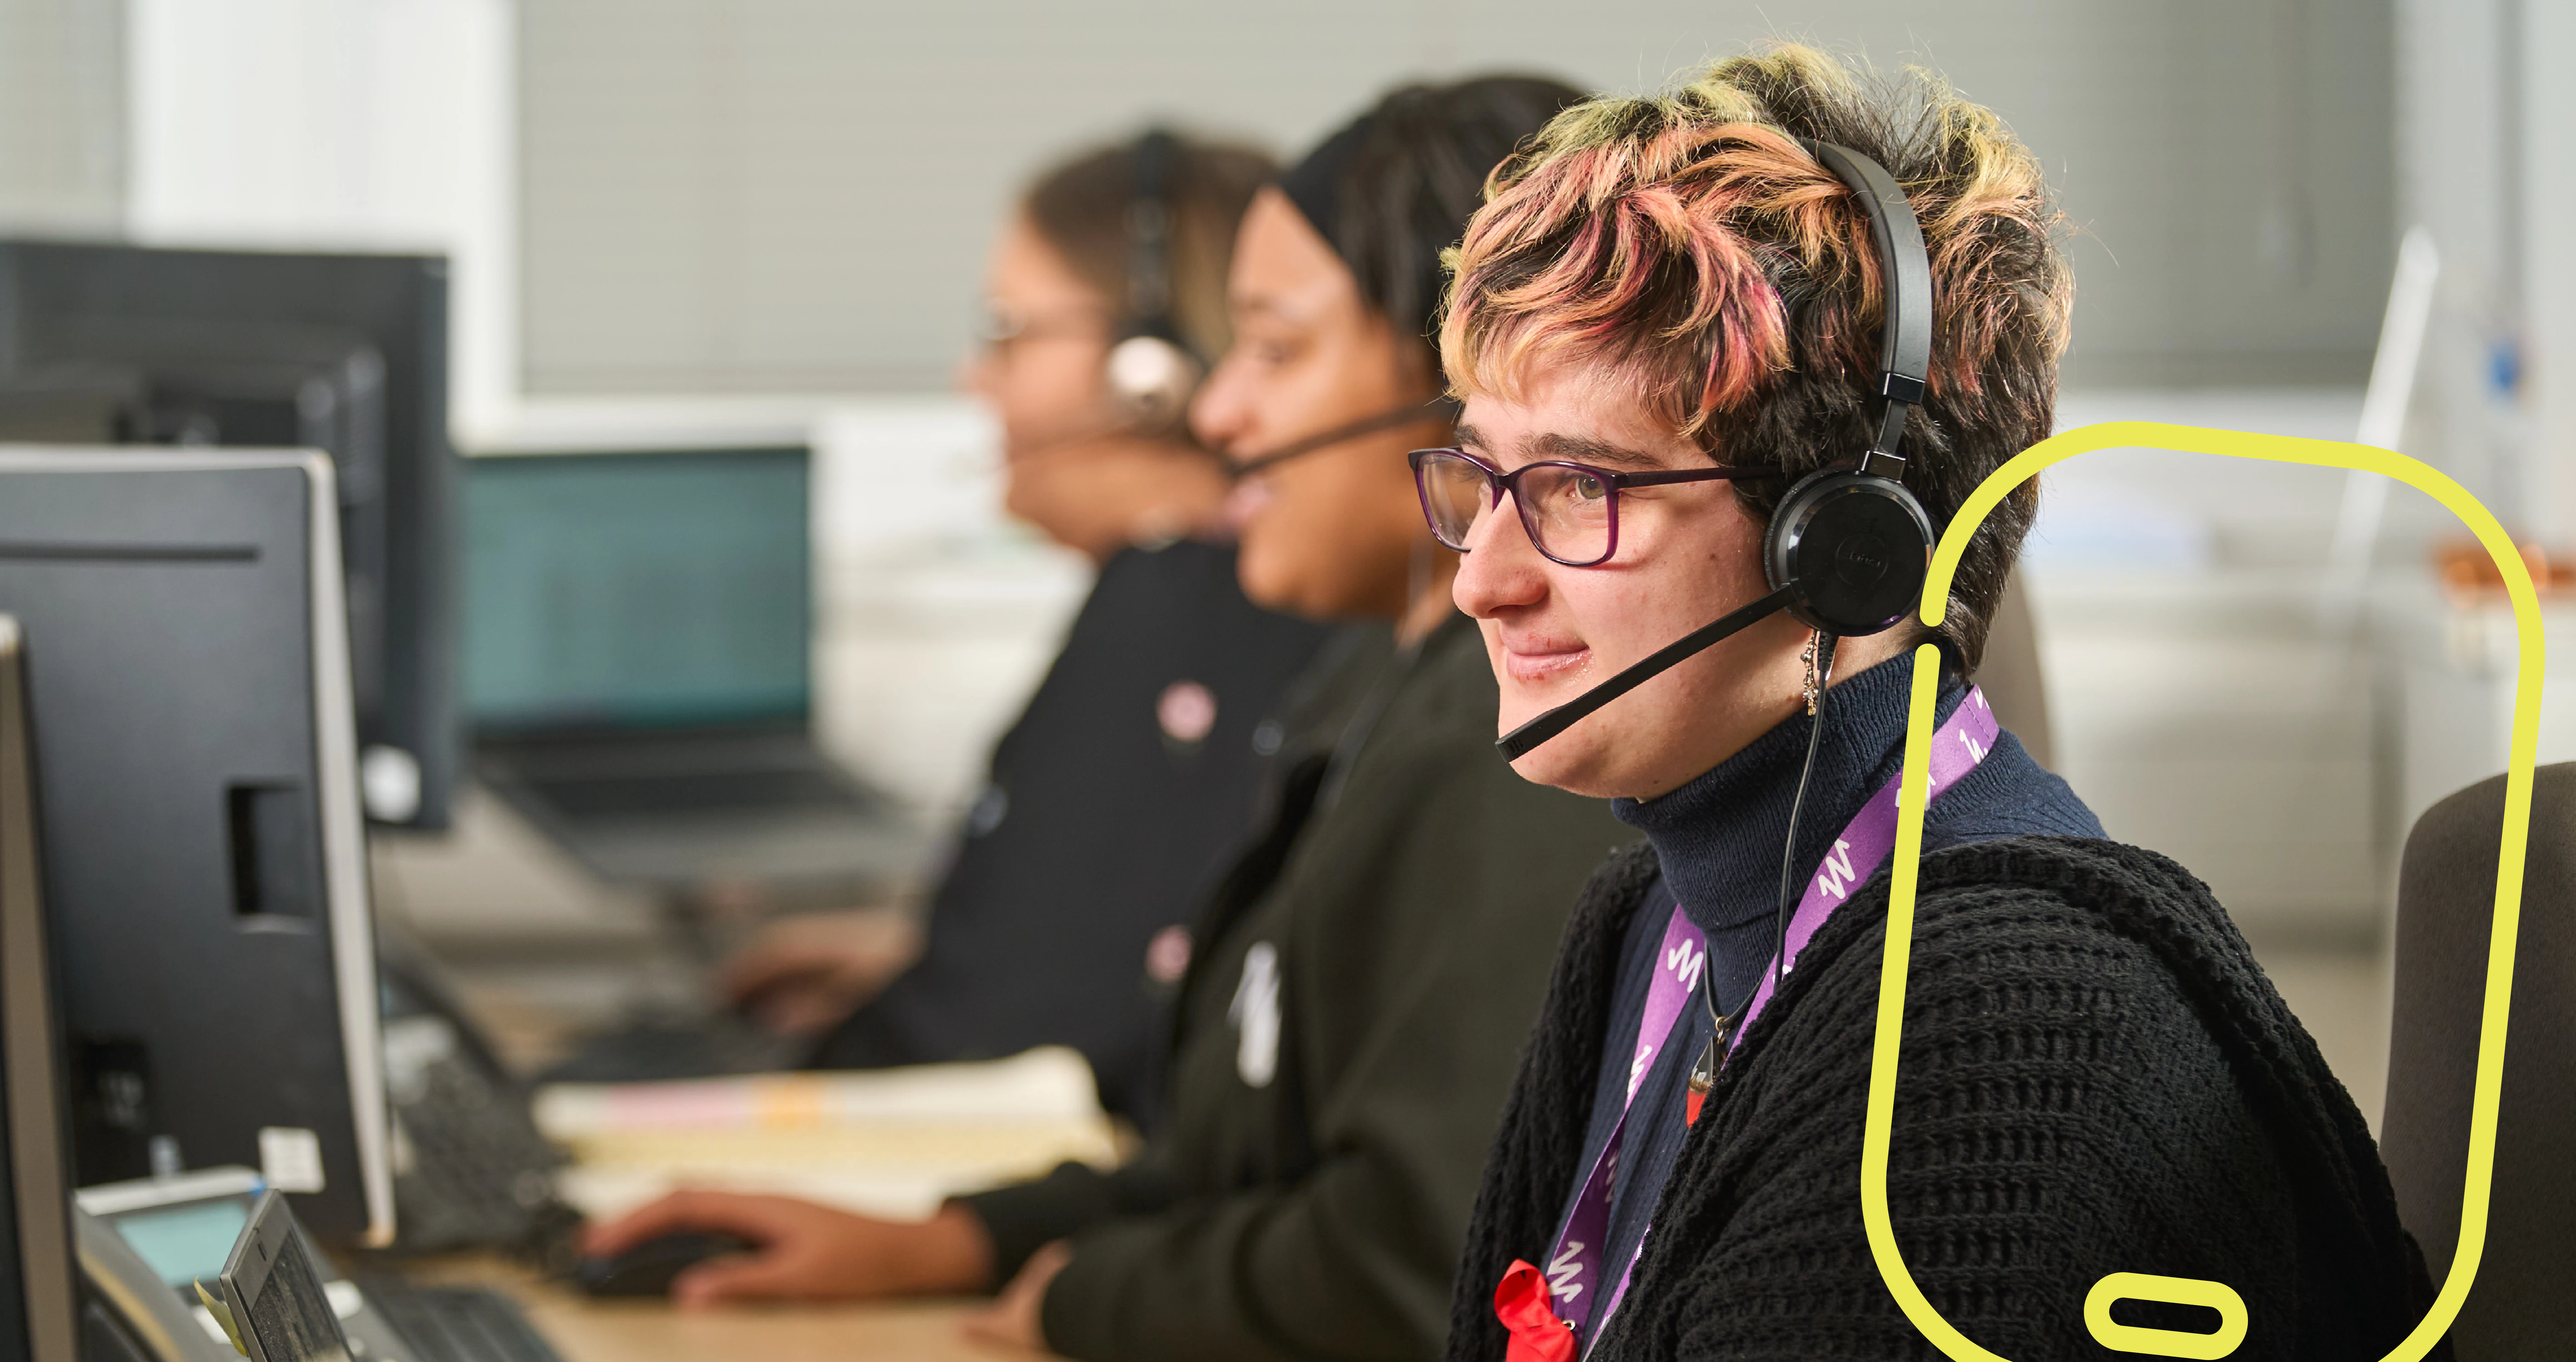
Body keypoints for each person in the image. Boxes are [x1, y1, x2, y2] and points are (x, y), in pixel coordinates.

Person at [1422, 46, 2441, 1361]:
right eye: (1480, 475)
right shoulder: (1652, 922)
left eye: (1579, 488)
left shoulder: (1993, 1042)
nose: (1482, 583)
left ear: (1846, 547)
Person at [586, 75, 1623, 1362]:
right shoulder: (1368, 698)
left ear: (1461, 382)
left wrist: (1092, 1300)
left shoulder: (1501, 743)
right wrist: (957, 1239)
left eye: (1279, 349)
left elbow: (1415, 1255)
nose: (1218, 410)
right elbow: (1231, 1163)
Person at [711, 131, 1335, 1117]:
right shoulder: (1228, 598)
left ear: (1151, 370)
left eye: (1009, 332)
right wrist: (916, 960)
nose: (974, 376)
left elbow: (1020, 1040)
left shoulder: (1172, 610)